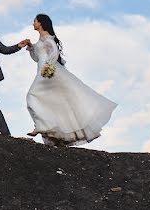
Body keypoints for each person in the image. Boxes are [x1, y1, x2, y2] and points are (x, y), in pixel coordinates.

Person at [24, 13, 116, 146]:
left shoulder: (47, 38)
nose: (33, 23)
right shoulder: (40, 40)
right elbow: (36, 58)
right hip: (42, 70)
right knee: (54, 102)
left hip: (48, 72)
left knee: (32, 95)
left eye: (34, 21)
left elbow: (54, 52)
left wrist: (49, 67)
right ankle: (51, 131)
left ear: (41, 23)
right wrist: (32, 48)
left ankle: (41, 126)